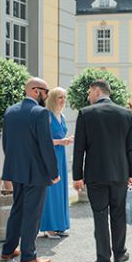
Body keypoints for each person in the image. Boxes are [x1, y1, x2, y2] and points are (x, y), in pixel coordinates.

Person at [73, 79, 132, 262]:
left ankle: (103, 259)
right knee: (118, 213)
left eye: (89, 92)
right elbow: (130, 148)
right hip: (120, 173)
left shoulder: (86, 113)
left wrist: (77, 176)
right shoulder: (125, 114)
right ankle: (119, 253)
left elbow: (79, 149)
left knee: (100, 215)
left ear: (96, 91)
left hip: (96, 174)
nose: (87, 96)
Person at [0, 78, 59, 262]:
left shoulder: (10, 111)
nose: (47, 95)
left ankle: (8, 250)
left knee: (18, 208)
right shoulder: (40, 113)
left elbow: (6, 143)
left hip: (16, 169)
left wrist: (12, 164)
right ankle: (28, 256)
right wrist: (53, 172)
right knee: (32, 213)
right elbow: (46, 146)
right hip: (36, 172)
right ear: (35, 91)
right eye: (46, 91)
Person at [40, 87, 73, 239]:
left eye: (64, 97)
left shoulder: (62, 116)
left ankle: (60, 225)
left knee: (60, 190)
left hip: (60, 155)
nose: (63, 100)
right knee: (51, 191)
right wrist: (61, 141)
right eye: (60, 97)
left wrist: (67, 139)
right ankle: (48, 227)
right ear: (53, 98)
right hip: (50, 156)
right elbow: (42, 140)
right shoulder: (46, 115)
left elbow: (61, 135)